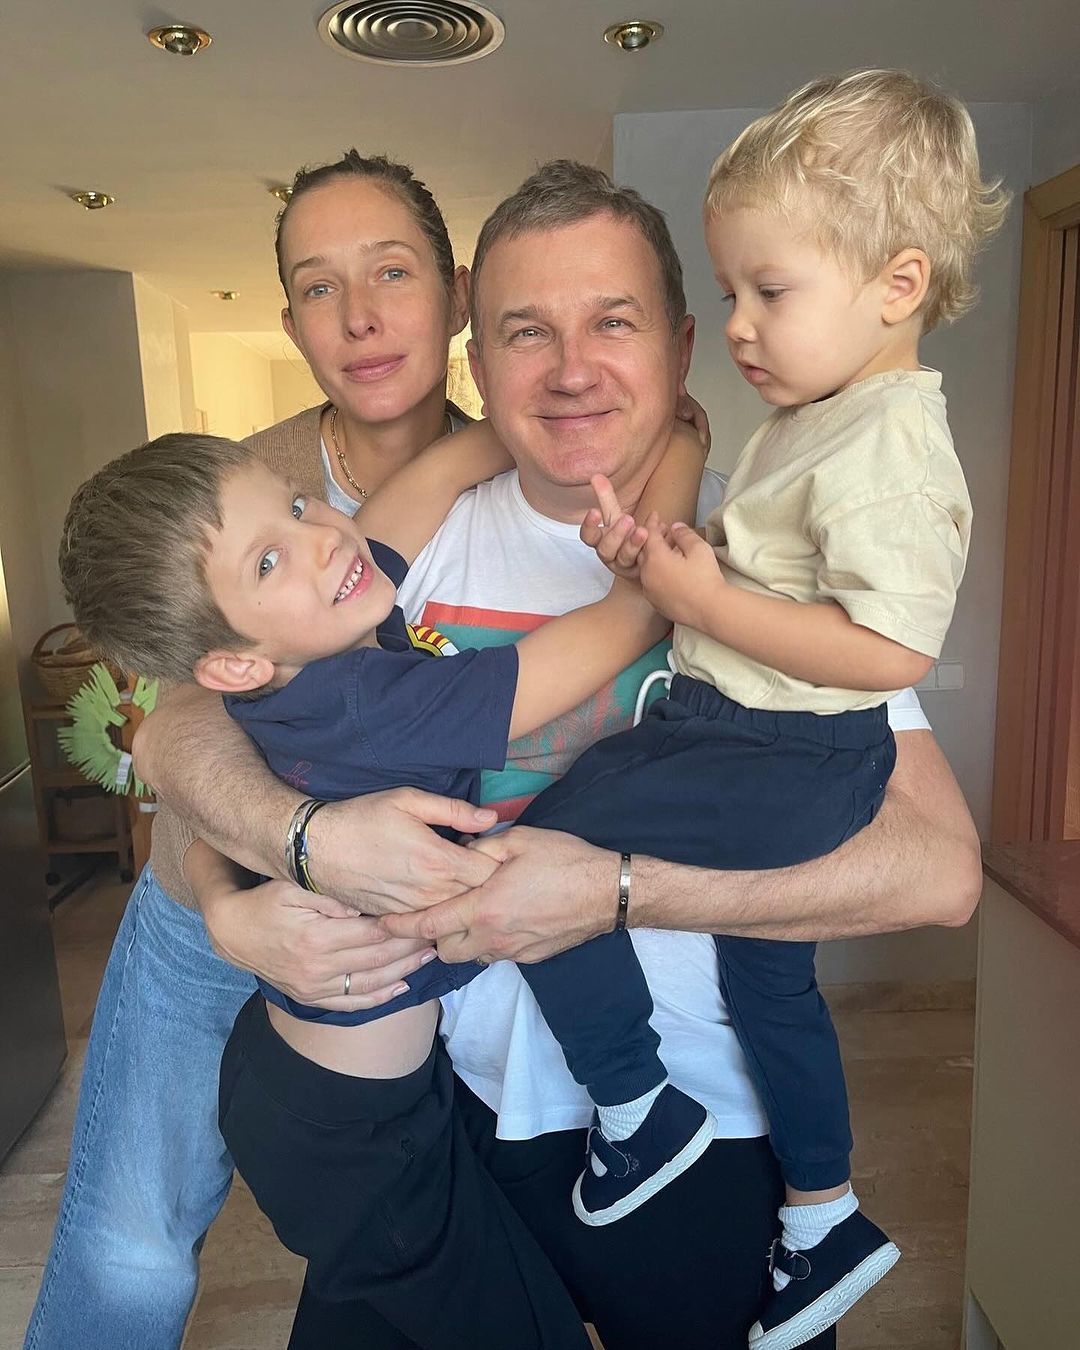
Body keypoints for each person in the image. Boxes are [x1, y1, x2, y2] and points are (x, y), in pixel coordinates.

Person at [138, 161, 980, 1349]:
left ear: (682, 348)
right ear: (479, 363)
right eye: (528, 330)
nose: (572, 367)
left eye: (613, 322)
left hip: (703, 1128)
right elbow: (184, 730)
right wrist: (258, 878)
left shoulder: (777, 547)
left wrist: (613, 893)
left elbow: (937, 872)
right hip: (447, 1112)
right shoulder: (372, 562)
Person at [501, 71, 1007, 1350]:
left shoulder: (892, 449)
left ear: (896, 285)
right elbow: (765, 569)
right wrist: (669, 560)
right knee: (771, 984)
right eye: (731, 294)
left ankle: (636, 1106)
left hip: (781, 749)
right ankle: (824, 1215)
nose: (740, 325)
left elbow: (889, 650)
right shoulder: (821, 418)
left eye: (769, 291)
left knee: (546, 839)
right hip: (775, 742)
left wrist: (703, 602)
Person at [23, 151, 487, 1350]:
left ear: (458, 294)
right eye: (320, 286)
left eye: (392, 272)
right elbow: (174, 724)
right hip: (210, 912)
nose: (361, 316)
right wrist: (258, 883)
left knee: (414, 1222)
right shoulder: (247, 482)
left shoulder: (513, 471)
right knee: (131, 1243)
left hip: (418, 922)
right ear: (290, 322)